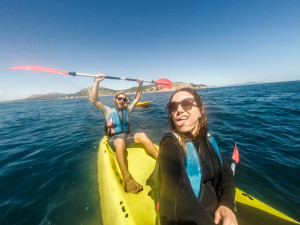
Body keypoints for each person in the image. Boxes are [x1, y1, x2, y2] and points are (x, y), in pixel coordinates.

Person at [148, 87, 237, 225]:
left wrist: (227, 204)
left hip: (219, 211)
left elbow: (226, 174)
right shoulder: (171, 144)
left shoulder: (208, 140)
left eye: (186, 103)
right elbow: (176, 191)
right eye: (173, 106)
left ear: (201, 111)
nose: (179, 110)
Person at [90, 74, 158, 194]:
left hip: (127, 137)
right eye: (119, 98)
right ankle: (127, 177)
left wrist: (140, 85)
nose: (122, 100)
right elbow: (95, 99)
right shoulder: (108, 111)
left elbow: (137, 98)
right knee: (120, 141)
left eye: (124, 99)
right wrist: (97, 82)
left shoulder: (127, 109)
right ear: (114, 100)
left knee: (142, 134)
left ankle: (161, 159)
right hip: (115, 139)